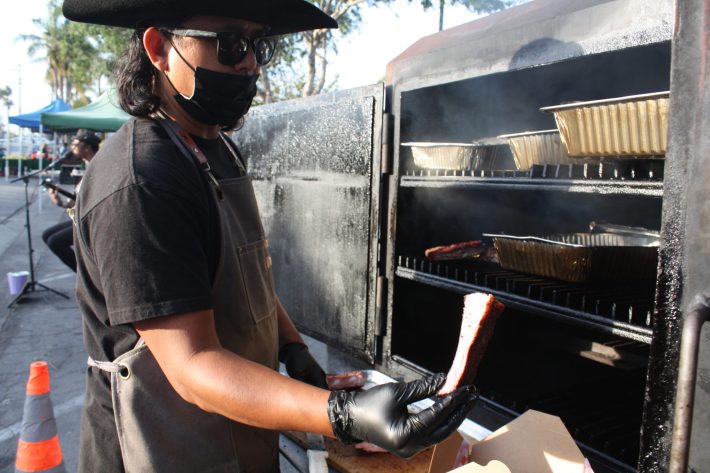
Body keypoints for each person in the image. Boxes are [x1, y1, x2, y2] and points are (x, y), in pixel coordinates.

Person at [62, 1, 479, 472]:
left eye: (259, 46)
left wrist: (292, 347)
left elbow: (248, 276)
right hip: (159, 443)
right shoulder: (143, 179)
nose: (250, 63)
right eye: (231, 43)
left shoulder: (215, 149)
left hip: (235, 428)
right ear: (159, 47)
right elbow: (193, 365)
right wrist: (340, 415)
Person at [41, 129, 100, 272]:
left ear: (86, 147)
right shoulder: (87, 166)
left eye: (75, 144)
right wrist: (60, 202)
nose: (72, 148)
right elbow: (77, 201)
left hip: (94, 220)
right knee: (47, 236)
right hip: (83, 216)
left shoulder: (98, 165)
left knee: (55, 242)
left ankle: (87, 277)